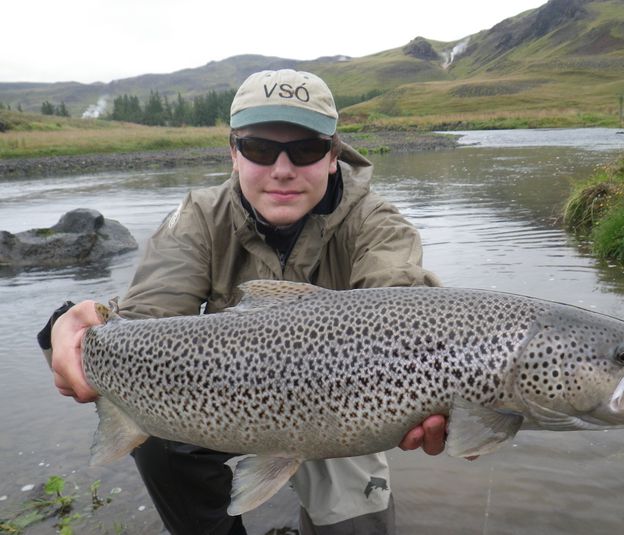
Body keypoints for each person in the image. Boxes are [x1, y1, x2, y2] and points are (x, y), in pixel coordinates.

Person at [40, 69, 448, 535]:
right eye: (258, 148)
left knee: (358, 527)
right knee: (153, 433)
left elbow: (406, 314)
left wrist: (446, 395)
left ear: (334, 155)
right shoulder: (198, 217)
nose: (282, 169)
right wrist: (66, 331)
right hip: (224, 400)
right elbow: (145, 322)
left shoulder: (378, 224)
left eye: (306, 149)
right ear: (234, 152)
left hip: (342, 410)